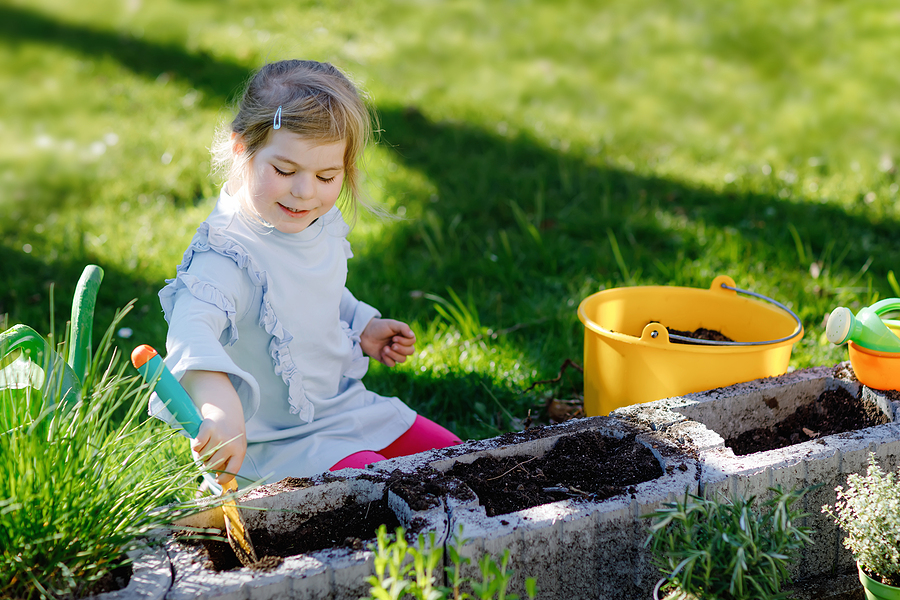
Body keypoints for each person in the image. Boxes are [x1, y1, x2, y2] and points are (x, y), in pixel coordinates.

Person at [150, 59, 460, 489]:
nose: (305, 191)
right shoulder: (224, 256)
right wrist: (218, 406)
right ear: (242, 147)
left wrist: (362, 324)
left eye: (326, 175)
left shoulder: (310, 222)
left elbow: (316, 289)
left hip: (344, 409)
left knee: (460, 460)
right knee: (381, 489)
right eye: (284, 170)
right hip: (276, 442)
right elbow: (189, 330)